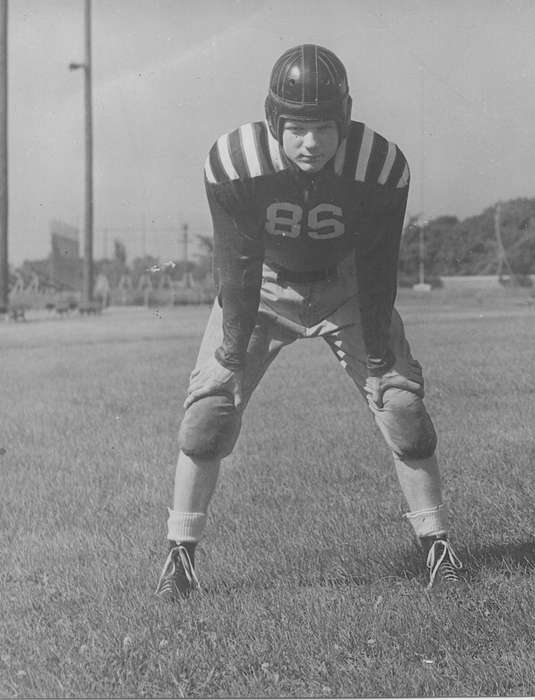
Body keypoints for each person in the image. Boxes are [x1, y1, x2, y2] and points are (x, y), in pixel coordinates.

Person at [155, 44, 464, 600]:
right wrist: (228, 356)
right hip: (265, 283)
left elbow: (378, 266)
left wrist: (378, 361)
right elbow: (238, 264)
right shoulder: (235, 161)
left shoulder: (379, 164)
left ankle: (438, 546)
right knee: (209, 411)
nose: (311, 143)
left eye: (324, 127)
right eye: (297, 127)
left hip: (347, 283)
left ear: (343, 120)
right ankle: (180, 556)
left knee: (402, 406)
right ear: (275, 121)